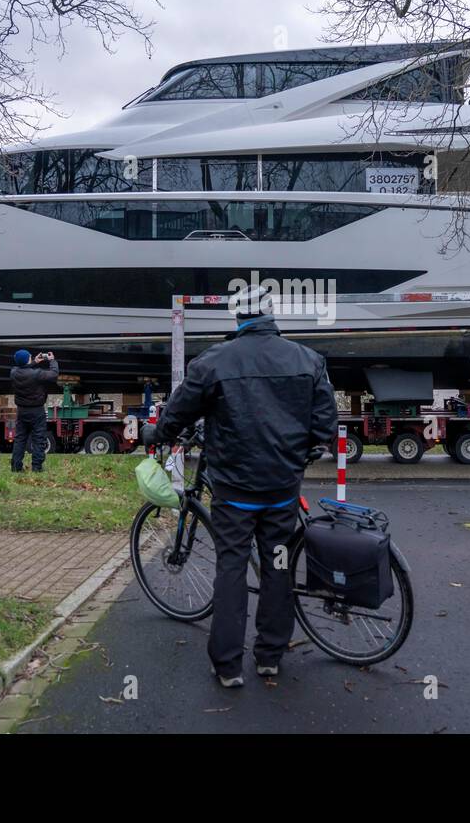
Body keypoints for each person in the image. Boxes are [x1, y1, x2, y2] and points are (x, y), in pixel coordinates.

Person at [147, 285, 338, 688]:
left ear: (236, 318)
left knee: (231, 567)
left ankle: (228, 666)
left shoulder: (214, 361)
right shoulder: (307, 359)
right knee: (279, 564)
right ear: (271, 316)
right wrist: (298, 454)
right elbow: (325, 426)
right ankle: (269, 656)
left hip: (234, 491)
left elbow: (180, 410)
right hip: (283, 490)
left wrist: (157, 433)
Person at [9, 349, 59, 472]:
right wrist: (52, 361)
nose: (32, 357)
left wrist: (34, 362)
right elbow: (54, 374)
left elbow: (23, 368)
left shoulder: (13, 372)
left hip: (21, 411)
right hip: (37, 411)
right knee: (38, 439)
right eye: (30, 357)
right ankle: (36, 467)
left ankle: (16, 467)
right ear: (27, 359)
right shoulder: (36, 374)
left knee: (20, 439)